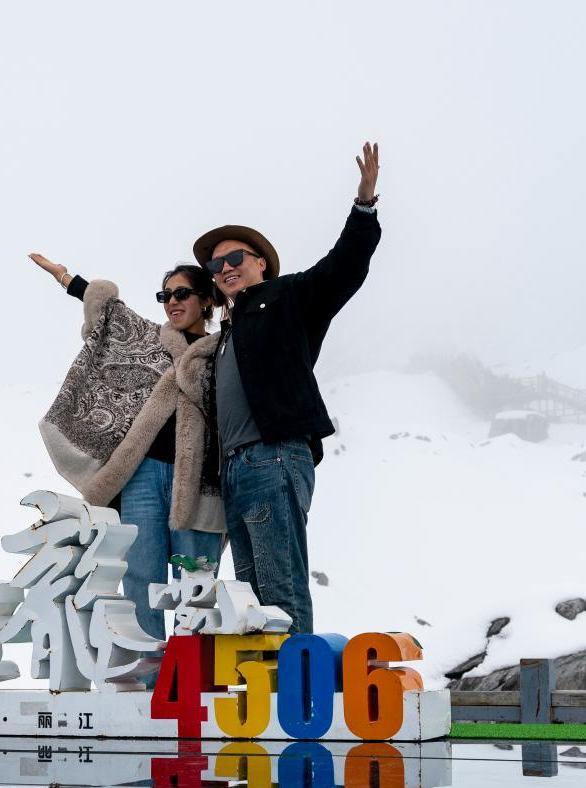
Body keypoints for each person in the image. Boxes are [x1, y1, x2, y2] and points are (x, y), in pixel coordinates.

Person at [183, 143, 382, 635]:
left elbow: (344, 267)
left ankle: (300, 699)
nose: (224, 267)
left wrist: (363, 206)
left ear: (261, 264)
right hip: (235, 469)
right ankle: (267, 698)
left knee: (280, 587)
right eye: (215, 265)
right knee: (249, 599)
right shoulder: (228, 332)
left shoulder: (289, 296)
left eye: (234, 257)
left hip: (273, 458)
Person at [28, 254, 225, 639]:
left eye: (182, 293)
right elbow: (111, 313)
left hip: (201, 481)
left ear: (206, 299)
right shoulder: (148, 339)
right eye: (164, 295)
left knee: (196, 580)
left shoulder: (225, 351)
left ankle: (191, 678)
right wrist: (68, 278)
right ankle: (147, 675)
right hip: (143, 477)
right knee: (140, 577)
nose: (172, 302)